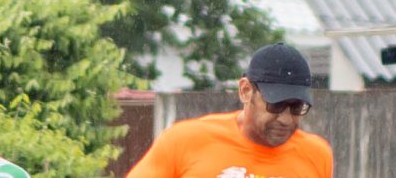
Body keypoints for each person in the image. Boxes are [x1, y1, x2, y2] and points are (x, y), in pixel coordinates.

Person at [127, 43, 333, 178]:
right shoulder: (184, 141)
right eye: (276, 105)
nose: (286, 119)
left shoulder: (316, 154)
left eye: (297, 107)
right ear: (246, 91)